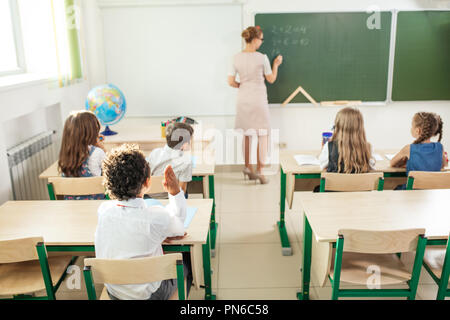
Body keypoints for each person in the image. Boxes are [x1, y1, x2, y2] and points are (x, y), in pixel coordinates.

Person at [95, 144, 192, 300]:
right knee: (186, 260)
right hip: (150, 295)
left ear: (109, 184)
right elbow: (179, 228)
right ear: (147, 182)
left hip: (115, 293)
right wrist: (174, 192)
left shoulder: (103, 211)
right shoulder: (157, 217)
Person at [228, 26, 283, 184]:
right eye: (261, 39)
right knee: (263, 134)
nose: (261, 42)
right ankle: (260, 171)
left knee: (246, 135)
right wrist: (276, 64)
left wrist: (244, 86)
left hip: (243, 99)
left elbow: (231, 81)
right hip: (258, 99)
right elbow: (271, 79)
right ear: (255, 39)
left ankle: (247, 168)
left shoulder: (235, 57)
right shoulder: (261, 57)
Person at [390, 112, 447, 189]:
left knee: (393, 187)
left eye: (412, 126)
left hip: (412, 194)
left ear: (417, 131)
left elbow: (392, 163)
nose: (411, 128)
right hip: (433, 194)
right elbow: (443, 164)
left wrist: (406, 163)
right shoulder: (440, 147)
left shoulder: (409, 148)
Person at [58, 110, 106, 200]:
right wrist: (100, 146)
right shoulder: (98, 153)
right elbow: (111, 170)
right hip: (96, 207)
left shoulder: (66, 155)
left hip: (71, 208)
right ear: (92, 133)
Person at [319, 107, 375, 174]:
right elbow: (371, 167)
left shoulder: (329, 147)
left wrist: (325, 148)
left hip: (336, 184)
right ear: (360, 128)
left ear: (337, 126)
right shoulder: (368, 148)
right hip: (360, 184)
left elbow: (323, 167)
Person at [148, 122, 193, 197]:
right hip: (171, 200)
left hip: (150, 196)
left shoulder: (154, 153)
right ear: (184, 144)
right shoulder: (186, 161)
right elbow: (181, 191)